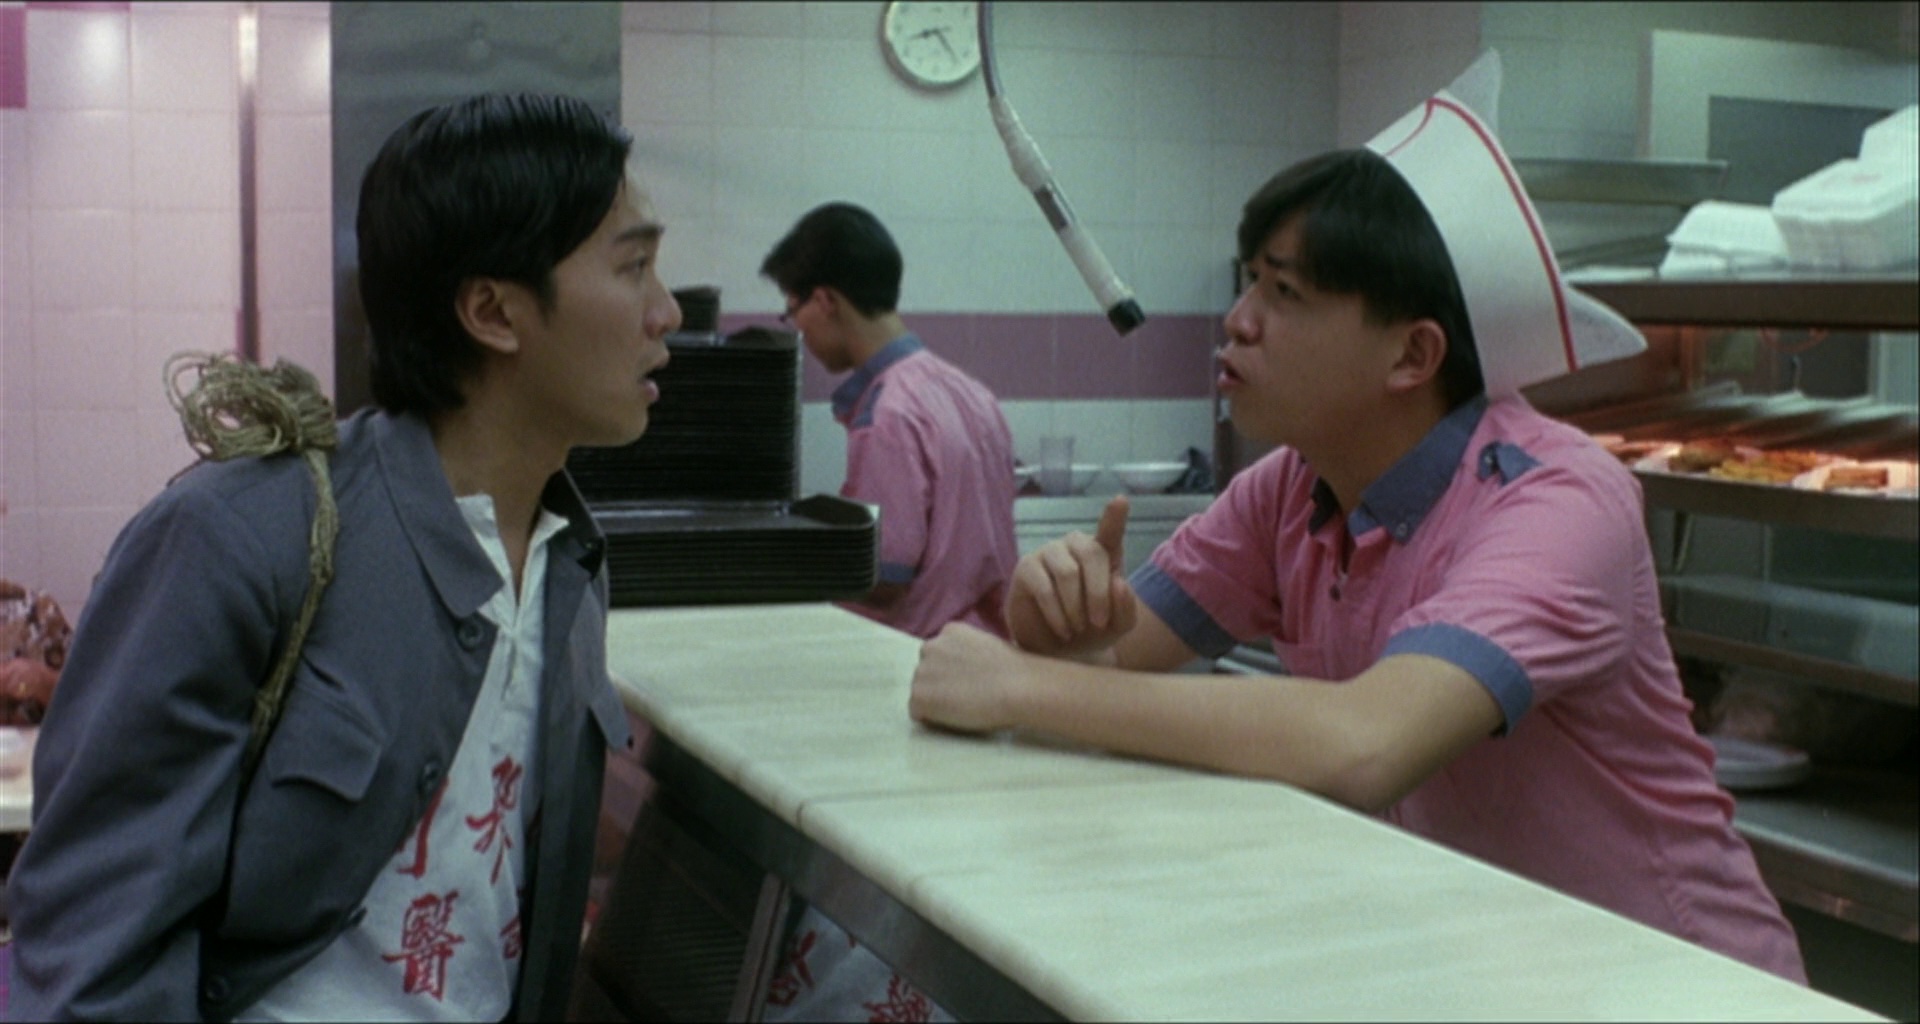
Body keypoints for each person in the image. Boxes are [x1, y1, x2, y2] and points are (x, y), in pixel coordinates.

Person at [907, 55, 1807, 983]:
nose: (1238, 321)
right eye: (1249, 282)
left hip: (1680, 981)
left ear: (1413, 355)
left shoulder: (1558, 501)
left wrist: (1020, 687)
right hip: (1495, 967)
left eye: (1284, 294)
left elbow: (1365, 742)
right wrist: (1048, 616)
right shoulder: (1289, 489)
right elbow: (1111, 657)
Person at [5, 92, 681, 1020]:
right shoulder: (241, 536)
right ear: (493, 311)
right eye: (634, 267)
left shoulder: (570, 560)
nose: (667, 311)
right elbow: (93, 946)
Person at [760, 201, 1019, 642]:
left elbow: (883, 575)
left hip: (922, 654)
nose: (798, 330)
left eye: (792, 310)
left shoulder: (888, 414)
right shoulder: (974, 394)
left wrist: (789, 568)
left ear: (824, 301)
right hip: (994, 647)